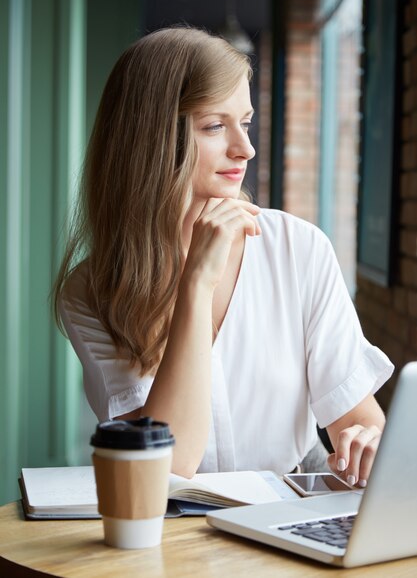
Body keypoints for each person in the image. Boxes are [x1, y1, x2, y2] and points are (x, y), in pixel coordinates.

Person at [54, 26, 393, 487]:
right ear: (152, 139)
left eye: (246, 123)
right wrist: (197, 282)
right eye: (215, 126)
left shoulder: (298, 248)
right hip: (168, 532)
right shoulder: (91, 291)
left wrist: (367, 441)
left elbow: (358, 418)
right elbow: (165, 469)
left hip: (285, 515)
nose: (246, 149)